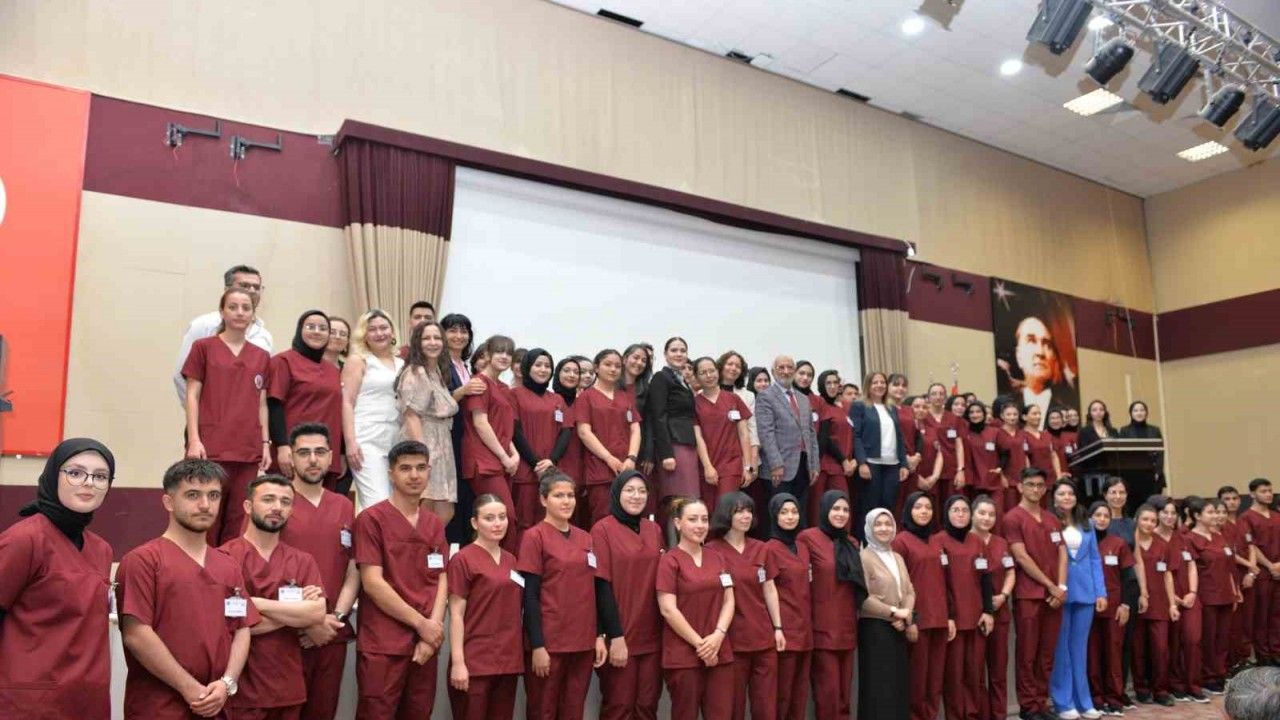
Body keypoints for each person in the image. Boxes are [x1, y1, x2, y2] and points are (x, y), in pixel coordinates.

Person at [117, 459, 257, 719]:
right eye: (193, 495)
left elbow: (241, 628)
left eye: (213, 495)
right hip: (160, 707)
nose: (205, 505)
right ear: (168, 502)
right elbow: (136, 635)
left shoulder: (228, 565)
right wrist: (190, 688)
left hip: (217, 704)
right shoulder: (143, 561)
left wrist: (227, 683)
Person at [0, 438, 115, 718]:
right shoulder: (24, 539)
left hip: (87, 700)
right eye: (75, 473)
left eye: (100, 476)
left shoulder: (101, 549)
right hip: (30, 702)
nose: (88, 483)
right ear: (53, 475)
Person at [353, 440, 448, 718]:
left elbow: (441, 578)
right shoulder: (371, 520)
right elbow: (372, 583)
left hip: (425, 643)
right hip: (383, 643)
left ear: (429, 471)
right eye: (405, 468)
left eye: (421, 468)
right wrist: (422, 625)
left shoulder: (434, 523)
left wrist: (432, 634)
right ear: (391, 474)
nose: (414, 475)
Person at [220, 474, 326, 720]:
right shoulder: (224, 558)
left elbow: (317, 613)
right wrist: (296, 613)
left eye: (285, 502)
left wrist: (256, 604)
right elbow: (228, 626)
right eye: (268, 499)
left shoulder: (302, 561)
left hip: (287, 689)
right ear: (248, 506)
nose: (277, 507)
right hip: (241, 692)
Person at [277, 423, 360, 720]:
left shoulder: (344, 506)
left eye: (320, 452)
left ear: (331, 458)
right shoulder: (276, 503)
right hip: (286, 636)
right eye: (304, 453)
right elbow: (258, 567)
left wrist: (334, 619)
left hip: (330, 634)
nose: (313, 460)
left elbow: (353, 569)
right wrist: (308, 623)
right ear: (291, 457)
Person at [182, 287, 272, 544]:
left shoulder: (262, 356)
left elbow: (262, 404)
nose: (239, 312)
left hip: (248, 449)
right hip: (211, 447)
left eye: (246, 308)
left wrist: (265, 444)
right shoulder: (203, 348)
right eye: (233, 307)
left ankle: (228, 567)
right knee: (205, 513)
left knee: (238, 518)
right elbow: (192, 396)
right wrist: (194, 440)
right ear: (222, 311)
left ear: (253, 314)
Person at [516, 471, 603, 719]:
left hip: (582, 641)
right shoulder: (534, 537)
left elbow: (594, 591)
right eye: (558, 496)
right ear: (543, 500)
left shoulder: (586, 538)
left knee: (573, 711)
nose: (566, 501)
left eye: (570, 495)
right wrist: (537, 645)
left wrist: (598, 635)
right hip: (550, 642)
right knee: (543, 710)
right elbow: (530, 596)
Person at [591, 471, 663, 720]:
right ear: (616, 493)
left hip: (652, 637)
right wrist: (615, 636)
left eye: (642, 491)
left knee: (647, 706)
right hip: (620, 634)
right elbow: (601, 585)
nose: (636, 496)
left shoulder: (654, 529)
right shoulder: (602, 529)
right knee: (619, 707)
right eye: (629, 490)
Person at [656, 497, 736, 720]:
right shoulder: (669, 561)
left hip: (719, 651)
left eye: (704, 519)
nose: (700, 525)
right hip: (684, 655)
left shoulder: (718, 557)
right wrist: (701, 645)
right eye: (692, 519)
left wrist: (718, 636)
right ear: (678, 523)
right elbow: (668, 609)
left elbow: (729, 601)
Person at [707, 492, 784, 720]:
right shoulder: (711, 550)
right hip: (731, 640)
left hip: (763, 637)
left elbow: (770, 589)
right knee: (733, 706)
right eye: (739, 511)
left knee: (766, 706)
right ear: (726, 514)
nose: (746, 516)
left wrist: (778, 628)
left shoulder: (762, 548)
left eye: (749, 511)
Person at [447, 494, 525, 719]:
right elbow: (456, 615)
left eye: (502, 517)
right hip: (474, 662)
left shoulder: (512, 560)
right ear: (474, 522)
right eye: (489, 518)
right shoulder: (463, 559)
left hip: (508, 661)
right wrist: (458, 662)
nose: (497, 523)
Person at [1006, 467, 1067, 720]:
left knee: (1047, 653)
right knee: (1028, 653)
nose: (1035, 489)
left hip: (1055, 597)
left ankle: (1041, 702)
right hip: (1029, 595)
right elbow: (1021, 557)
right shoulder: (1012, 518)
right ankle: (1029, 706)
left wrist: (1061, 587)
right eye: (1030, 484)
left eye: (1040, 485)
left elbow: (1062, 552)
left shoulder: (1052, 519)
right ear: (1020, 487)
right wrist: (1050, 585)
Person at [1047, 480, 1106, 720]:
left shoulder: (1086, 523)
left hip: (1085, 591)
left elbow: (1094, 559)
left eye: (1070, 493)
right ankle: (1063, 702)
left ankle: (1084, 702)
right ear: (1053, 497)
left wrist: (1100, 592)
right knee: (1061, 649)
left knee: (1079, 649)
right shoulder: (1048, 522)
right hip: (1060, 590)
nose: (1067, 497)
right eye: (1061, 493)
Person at [797, 490, 858, 720]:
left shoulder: (851, 542)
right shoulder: (808, 538)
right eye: (835, 508)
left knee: (844, 696)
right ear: (824, 510)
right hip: (822, 628)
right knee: (828, 694)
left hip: (848, 627)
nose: (841, 514)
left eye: (845, 509)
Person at [174, 264, 273, 405]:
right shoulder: (203, 325)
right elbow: (181, 376)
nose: (252, 290)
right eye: (244, 285)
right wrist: (198, 413)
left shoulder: (265, 336)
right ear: (227, 290)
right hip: (208, 416)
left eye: (256, 287)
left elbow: (264, 385)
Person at [893, 492, 952, 720]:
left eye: (928, 507)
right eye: (918, 507)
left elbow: (945, 581)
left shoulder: (937, 541)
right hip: (918, 621)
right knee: (917, 680)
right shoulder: (901, 541)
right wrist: (910, 620)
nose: (924, 511)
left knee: (935, 680)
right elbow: (898, 584)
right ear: (909, 510)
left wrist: (950, 616)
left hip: (940, 619)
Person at [269, 310, 345, 487]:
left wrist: (341, 452)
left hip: (326, 453)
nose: (317, 332)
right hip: (294, 452)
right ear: (299, 330)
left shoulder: (334, 370)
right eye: (311, 327)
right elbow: (274, 405)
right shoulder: (283, 361)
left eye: (323, 328)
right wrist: (282, 446)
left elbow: (338, 412)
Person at [397, 321, 460, 525]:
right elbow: (411, 415)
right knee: (423, 506)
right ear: (417, 342)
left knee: (444, 510)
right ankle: (414, 545)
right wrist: (423, 455)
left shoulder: (436, 371)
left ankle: (430, 545)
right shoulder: (416, 372)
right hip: (424, 439)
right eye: (426, 338)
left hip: (442, 442)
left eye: (437, 338)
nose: (433, 342)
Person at [461, 334, 520, 549]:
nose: (504, 356)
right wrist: (505, 457)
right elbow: (481, 423)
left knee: (503, 519)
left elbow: (503, 428)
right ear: (487, 355)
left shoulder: (503, 388)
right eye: (499, 351)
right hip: (483, 461)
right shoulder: (479, 383)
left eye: (509, 353)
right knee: (505, 518)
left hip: (502, 460)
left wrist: (514, 454)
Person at [342, 309, 405, 512]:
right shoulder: (358, 360)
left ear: (392, 331)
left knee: (395, 504)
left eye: (384, 328)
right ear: (364, 335)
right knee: (377, 503)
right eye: (372, 329)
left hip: (396, 437)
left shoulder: (402, 364)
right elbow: (347, 402)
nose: (379, 333)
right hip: (367, 438)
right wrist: (350, 443)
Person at [938, 495, 993, 720]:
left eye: (964, 510)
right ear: (947, 513)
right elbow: (939, 583)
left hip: (977, 617)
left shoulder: (977, 541)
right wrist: (948, 615)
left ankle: (972, 715)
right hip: (953, 620)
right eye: (956, 510)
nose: (960, 514)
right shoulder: (938, 541)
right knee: (954, 676)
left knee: (974, 673)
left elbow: (986, 578)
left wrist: (988, 611)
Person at [856, 507, 914, 720]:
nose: (884, 528)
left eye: (888, 524)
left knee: (897, 686)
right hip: (875, 630)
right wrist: (894, 612)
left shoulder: (897, 556)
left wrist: (906, 615)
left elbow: (909, 590)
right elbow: (863, 598)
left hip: (898, 629)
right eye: (878, 524)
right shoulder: (864, 557)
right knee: (878, 688)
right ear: (869, 528)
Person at [1151, 495, 1209, 703]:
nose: (1169, 516)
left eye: (1173, 513)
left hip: (1190, 597)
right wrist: (1173, 598)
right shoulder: (1151, 539)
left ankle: (1194, 685)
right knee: (1170, 645)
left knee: (1193, 640)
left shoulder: (1183, 539)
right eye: (1165, 512)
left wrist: (1192, 592)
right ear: (1157, 514)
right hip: (1165, 599)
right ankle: (1174, 685)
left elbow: (1192, 565)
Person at [756, 356, 820, 536]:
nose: (786, 371)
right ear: (773, 371)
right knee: (779, 515)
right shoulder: (765, 396)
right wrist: (776, 464)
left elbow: (811, 434)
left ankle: (799, 548)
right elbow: (766, 433)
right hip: (779, 468)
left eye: (790, 367)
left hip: (803, 465)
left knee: (800, 514)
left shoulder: (803, 398)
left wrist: (814, 465)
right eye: (781, 367)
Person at [511, 348, 571, 540]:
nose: (543, 369)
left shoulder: (557, 399)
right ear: (527, 367)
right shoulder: (514, 395)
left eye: (547, 366)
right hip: (526, 471)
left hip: (552, 471)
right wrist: (536, 464)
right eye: (538, 365)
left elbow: (566, 431)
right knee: (525, 522)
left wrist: (551, 461)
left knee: (550, 522)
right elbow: (515, 431)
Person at [577, 349, 643, 524]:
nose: (613, 369)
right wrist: (608, 458)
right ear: (596, 367)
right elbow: (584, 432)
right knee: (603, 519)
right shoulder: (586, 397)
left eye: (617, 366)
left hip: (626, 467)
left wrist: (631, 458)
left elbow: (635, 429)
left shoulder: (625, 397)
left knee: (629, 519)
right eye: (608, 364)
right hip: (600, 468)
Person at [1086, 502, 1139, 715]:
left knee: (1114, 654)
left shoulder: (1118, 543)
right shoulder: (1083, 542)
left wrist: (1125, 604)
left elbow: (1129, 579)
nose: (1101, 519)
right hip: (1088, 608)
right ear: (1089, 518)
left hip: (1114, 608)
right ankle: (1096, 699)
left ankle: (1115, 699)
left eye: (1105, 516)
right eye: (1097, 515)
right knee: (1093, 654)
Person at [764, 493, 812, 720]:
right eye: (784, 512)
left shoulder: (803, 547)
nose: (790, 517)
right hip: (784, 632)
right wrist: (777, 628)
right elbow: (768, 591)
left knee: (799, 695)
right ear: (774, 515)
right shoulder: (769, 549)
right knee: (781, 696)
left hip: (805, 630)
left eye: (794, 512)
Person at [1187, 497, 1242, 694]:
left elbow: (1229, 568)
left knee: (1223, 637)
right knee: (1209, 638)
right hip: (1207, 595)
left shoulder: (1219, 536)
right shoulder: (1190, 538)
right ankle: (1208, 677)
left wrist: (1234, 591)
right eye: (1210, 512)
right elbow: (1191, 569)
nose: (1215, 516)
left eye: (1216, 512)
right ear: (1197, 516)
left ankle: (1220, 673)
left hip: (1226, 594)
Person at [644, 338, 699, 526]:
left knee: (690, 499)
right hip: (674, 446)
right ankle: (673, 542)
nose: (679, 354)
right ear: (665, 354)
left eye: (683, 350)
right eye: (674, 350)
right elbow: (658, 416)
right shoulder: (661, 378)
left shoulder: (682, 380)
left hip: (688, 443)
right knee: (677, 500)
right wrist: (666, 453)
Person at [972, 494, 1017, 720]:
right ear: (972, 514)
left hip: (999, 612)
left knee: (998, 671)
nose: (986, 518)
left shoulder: (1001, 543)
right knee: (976, 672)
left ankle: (999, 715)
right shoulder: (965, 541)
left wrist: (1004, 595)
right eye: (982, 513)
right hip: (974, 615)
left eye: (991, 514)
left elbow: (1010, 572)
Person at [850, 372, 909, 536]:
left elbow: (899, 437)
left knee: (888, 506)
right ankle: (865, 544)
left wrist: (903, 463)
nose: (879, 385)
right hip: (871, 463)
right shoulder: (859, 406)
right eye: (875, 382)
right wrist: (862, 462)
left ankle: (883, 541)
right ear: (868, 385)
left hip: (892, 465)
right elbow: (855, 435)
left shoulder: (891, 407)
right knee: (869, 508)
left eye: (882, 382)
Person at [442, 313, 483, 543]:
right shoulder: (440, 365)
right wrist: (463, 391)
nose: (459, 336)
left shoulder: (466, 366)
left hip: (466, 440)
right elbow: (438, 402)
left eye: (463, 331)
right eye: (453, 330)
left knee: (466, 499)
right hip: (449, 437)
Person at [693, 357, 754, 510]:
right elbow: (697, 437)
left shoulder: (734, 399)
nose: (709, 376)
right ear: (696, 377)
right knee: (708, 510)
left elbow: (744, 434)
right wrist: (707, 467)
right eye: (703, 373)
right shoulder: (694, 403)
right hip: (707, 465)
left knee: (726, 509)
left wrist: (747, 466)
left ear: (718, 372)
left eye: (711, 371)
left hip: (731, 465)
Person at [1132, 503, 1177, 707]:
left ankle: (1161, 690)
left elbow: (1168, 575)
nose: (1149, 524)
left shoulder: (1162, 545)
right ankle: (1141, 689)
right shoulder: (1130, 543)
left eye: (1153, 520)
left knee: (1161, 649)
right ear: (1137, 520)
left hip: (1159, 603)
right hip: (1137, 602)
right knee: (1138, 649)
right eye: (1145, 519)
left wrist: (1172, 604)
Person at [1217, 485, 1259, 672]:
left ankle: (1244, 658)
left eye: (1234, 498)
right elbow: (1228, 553)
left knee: (1247, 620)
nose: (1231, 502)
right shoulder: (1220, 525)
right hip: (1230, 576)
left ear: (1240, 500)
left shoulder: (1243, 522)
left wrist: (1251, 572)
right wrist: (1250, 565)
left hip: (1248, 577)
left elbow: (1251, 546)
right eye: (1227, 499)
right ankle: (1231, 661)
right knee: (1232, 622)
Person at [1239, 478, 1279, 667]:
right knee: (1261, 614)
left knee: (1277, 614)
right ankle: (1263, 654)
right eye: (1264, 491)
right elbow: (1251, 546)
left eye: (1270, 491)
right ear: (1252, 494)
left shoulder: (1277, 516)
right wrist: (1270, 565)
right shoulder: (1246, 518)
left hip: (1278, 571)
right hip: (1262, 572)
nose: (1268, 494)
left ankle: (1276, 651)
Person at [1009, 315, 1073, 426]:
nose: (1040, 352)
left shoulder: (1066, 411)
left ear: (1054, 358)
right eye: (1031, 341)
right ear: (1018, 356)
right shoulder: (1009, 407)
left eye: (1047, 344)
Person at [814, 369, 857, 528]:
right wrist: (844, 460)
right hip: (826, 465)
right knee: (820, 509)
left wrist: (854, 460)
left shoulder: (841, 408)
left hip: (842, 465)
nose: (832, 386)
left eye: (835, 383)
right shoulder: (820, 405)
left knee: (843, 508)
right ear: (821, 385)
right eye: (828, 383)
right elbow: (825, 437)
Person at [922, 383, 965, 506]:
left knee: (951, 504)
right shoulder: (923, 417)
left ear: (945, 398)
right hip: (929, 469)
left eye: (941, 394)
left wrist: (961, 470)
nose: (938, 397)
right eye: (934, 394)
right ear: (928, 397)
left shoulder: (954, 418)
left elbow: (959, 445)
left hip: (951, 469)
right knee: (931, 505)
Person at [1117, 402, 1165, 510]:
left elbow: (1160, 452)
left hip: (1152, 475)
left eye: (1142, 410)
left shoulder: (1155, 430)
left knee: (1153, 506)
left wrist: (1158, 471)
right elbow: (1123, 454)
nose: (1139, 413)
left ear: (1146, 412)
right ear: (1131, 413)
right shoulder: (1124, 430)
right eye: (1136, 410)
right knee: (1133, 507)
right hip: (1133, 475)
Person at [1023, 404, 1066, 481]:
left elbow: (1053, 455)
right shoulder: (1022, 435)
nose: (1038, 416)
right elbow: (1025, 458)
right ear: (1024, 417)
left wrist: (1058, 475)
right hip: (1034, 478)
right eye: (1034, 414)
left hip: (1051, 477)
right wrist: (1029, 478)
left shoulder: (1046, 435)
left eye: (1039, 414)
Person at [1101, 477, 1135, 547]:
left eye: (1122, 492)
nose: (1118, 496)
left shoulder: (1132, 524)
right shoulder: (1099, 522)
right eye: (1113, 492)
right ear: (1105, 495)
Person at [1046, 408, 1077, 478]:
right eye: (1052, 418)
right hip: (1051, 476)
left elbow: (1075, 456)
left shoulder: (1069, 436)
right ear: (1047, 421)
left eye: (1058, 418)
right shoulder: (1043, 436)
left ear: (1062, 420)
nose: (1056, 421)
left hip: (1069, 476)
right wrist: (1058, 474)